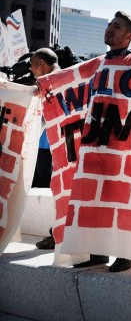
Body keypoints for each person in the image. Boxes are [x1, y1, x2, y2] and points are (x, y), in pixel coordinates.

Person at [71, 11, 131, 273]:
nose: (110, 29)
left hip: (121, 141)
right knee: (94, 195)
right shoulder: (97, 63)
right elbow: (67, 77)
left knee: (119, 196)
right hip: (95, 140)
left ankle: (125, 253)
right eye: (109, 24)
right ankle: (97, 251)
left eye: (117, 26)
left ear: (128, 36)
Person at [28, 48, 61, 250]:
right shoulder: (63, 79)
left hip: (57, 148)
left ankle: (57, 234)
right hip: (59, 147)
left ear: (41, 64)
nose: (32, 71)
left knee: (60, 192)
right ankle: (57, 233)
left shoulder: (51, 82)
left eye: (32, 66)